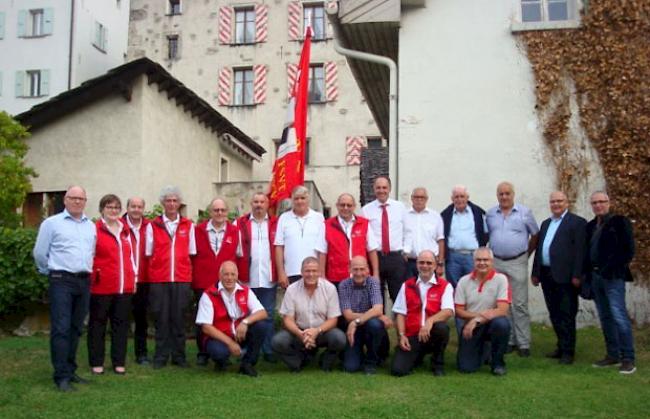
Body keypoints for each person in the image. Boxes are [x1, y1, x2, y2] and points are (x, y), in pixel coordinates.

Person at [33, 186, 96, 392]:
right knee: (61, 328)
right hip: (61, 279)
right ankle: (60, 376)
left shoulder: (90, 226)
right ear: (65, 200)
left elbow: (91, 252)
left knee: (76, 328)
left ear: (85, 201)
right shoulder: (51, 224)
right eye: (73, 198)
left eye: (81, 198)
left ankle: (70, 370)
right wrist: (50, 272)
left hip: (84, 280)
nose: (77, 202)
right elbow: (40, 253)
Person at [531, 191, 586, 364]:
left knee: (567, 313)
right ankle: (561, 346)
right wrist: (535, 272)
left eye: (559, 201)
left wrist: (577, 274)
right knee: (554, 313)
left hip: (566, 277)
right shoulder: (546, 223)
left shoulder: (577, 223)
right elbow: (540, 249)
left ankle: (569, 352)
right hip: (547, 275)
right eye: (553, 201)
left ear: (567, 203)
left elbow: (580, 252)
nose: (556, 204)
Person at [585, 191, 636, 374]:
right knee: (605, 317)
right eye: (595, 202)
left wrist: (611, 268)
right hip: (596, 277)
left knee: (619, 316)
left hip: (613, 277)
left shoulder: (619, 222)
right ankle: (612, 355)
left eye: (602, 202)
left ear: (609, 203)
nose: (598, 205)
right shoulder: (591, 226)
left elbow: (628, 250)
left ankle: (628, 358)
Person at [145, 186, 196, 369]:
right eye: (168, 200)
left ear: (179, 203)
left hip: (181, 278)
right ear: (162, 203)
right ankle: (160, 356)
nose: (172, 204)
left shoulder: (188, 225)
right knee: (161, 318)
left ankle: (179, 356)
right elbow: (149, 252)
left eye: (175, 200)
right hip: (160, 278)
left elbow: (191, 252)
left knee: (179, 318)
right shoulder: (153, 225)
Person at [486, 181, 539, 357]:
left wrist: (526, 255)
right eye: (501, 194)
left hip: (517, 261)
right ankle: (508, 340)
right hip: (497, 262)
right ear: (497, 196)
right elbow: (487, 236)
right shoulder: (491, 214)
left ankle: (523, 343)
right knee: (502, 303)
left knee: (520, 303)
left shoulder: (524, 213)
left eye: (507, 193)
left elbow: (535, 235)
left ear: (513, 194)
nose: (504, 197)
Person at [88, 194, 136, 375]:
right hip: (101, 287)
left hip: (124, 288)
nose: (113, 211)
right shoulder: (95, 229)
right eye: (109, 207)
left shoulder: (125, 230)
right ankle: (96, 362)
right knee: (98, 325)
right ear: (102, 209)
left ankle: (118, 362)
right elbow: (89, 256)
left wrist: (134, 278)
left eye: (116, 207)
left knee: (120, 325)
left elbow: (130, 258)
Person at [195, 261, 269, 377]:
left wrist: (245, 322)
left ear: (237, 276)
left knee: (262, 326)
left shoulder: (245, 291)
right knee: (219, 352)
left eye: (232, 274)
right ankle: (220, 362)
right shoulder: (208, 294)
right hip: (219, 337)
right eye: (226, 274)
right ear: (220, 276)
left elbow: (262, 312)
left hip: (240, 334)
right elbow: (206, 327)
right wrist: (230, 343)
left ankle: (247, 364)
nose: (229, 278)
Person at [272, 257, 346, 372]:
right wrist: (300, 333)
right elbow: (288, 319)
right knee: (278, 341)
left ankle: (325, 361)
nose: (311, 274)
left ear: (319, 272)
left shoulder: (329, 288)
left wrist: (317, 331)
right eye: (307, 271)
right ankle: (298, 362)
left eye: (314, 271)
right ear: (301, 272)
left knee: (339, 338)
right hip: (299, 331)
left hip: (322, 331)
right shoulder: (292, 289)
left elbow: (333, 319)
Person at [192, 198, 241, 366]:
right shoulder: (198, 230)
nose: (219, 213)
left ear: (227, 212)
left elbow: (238, 255)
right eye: (216, 210)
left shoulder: (235, 231)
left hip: (226, 282)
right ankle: (203, 352)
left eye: (222, 210)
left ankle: (223, 349)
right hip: (203, 280)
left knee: (226, 316)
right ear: (210, 212)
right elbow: (192, 255)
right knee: (202, 317)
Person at [391, 250, 453, 377]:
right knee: (398, 370)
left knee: (442, 328)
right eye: (422, 262)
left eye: (429, 263)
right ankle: (417, 356)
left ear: (435, 265)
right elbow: (400, 313)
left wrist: (430, 321)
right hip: (412, 335)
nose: (425, 266)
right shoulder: (407, 285)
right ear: (417, 264)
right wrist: (402, 335)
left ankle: (437, 364)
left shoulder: (445, 286)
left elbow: (448, 311)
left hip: (432, 334)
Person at [455, 247, 511, 376]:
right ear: (473, 261)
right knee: (466, 368)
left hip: (491, 324)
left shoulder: (501, 279)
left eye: (486, 260)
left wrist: (477, 319)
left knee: (502, 324)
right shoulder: (464, 281)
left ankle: (498, 363)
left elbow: (502, 309)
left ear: (492, 261)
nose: (482, 263)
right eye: (478, 260)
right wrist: (477, 318)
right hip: (472, 328)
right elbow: (458, 311)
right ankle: (485, 351)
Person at [236, 192, 278, 363]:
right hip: (247, 278)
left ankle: (268, 350)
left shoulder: (276, 223)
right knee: (246, 314)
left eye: (262, 202)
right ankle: (247, 348)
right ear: (250, 204)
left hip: (268, 277)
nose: (259, 205)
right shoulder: (240, 223)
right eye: (255, 202)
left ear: (267, 204)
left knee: (267, 314)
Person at [338, 256, 390, 374]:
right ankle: (358, 354)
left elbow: (378, 308)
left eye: (362, 269)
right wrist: (374, 315)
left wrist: (356, 321)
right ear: (349, 269)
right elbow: (347, 314)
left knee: (375, 324)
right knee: (350, 367)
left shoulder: (373, 282)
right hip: (354, 331)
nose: (359, 273)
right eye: (355, 269)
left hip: (369, 327)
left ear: (367, 269)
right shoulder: (343, 285)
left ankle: (371, 362)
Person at [316, 193, 379, 286]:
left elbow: (372, 250)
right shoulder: (327, 225)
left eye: (349, 205)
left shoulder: (364, 224)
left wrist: (376, 274)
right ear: (337, 206)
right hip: (335, 278)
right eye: (342, 205)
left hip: (360, 276)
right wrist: (322, 276)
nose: (345, 208)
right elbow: (322, 253)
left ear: (354, 207)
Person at [362, 176, 408, 302]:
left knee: (398, 295)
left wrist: (406, 250)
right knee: (377, 296)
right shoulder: (366, 210)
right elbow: (365, 235)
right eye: (378, 188)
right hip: (376, 257)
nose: (381, 190)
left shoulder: (400, 207)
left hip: (396, 257)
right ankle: (380, 321)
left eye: (384, 187)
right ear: (374, 189)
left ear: (390, 189)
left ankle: (398, 321)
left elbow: (407, 230)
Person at [275, 185, 325, 287]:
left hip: (313, 272)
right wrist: (281, 272)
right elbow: (279, 246)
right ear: (292, 200)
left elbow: (322, 248)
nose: (300, 201)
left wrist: (321, 272)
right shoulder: (284, 218)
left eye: (303, 198)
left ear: (308, 200)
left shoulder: (318, 218)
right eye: (296, 198)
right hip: (291, 272)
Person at [440, 185, 488, 288]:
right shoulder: (445, 214)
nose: (459, 199)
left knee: (474, 286)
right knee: (454, 288)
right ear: (452, 199)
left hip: (472, 257)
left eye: (462, 196)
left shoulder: (478, 212)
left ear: (467, 197)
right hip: (453, 258)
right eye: (456, 197)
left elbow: (485, 234)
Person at [123, 197, 151, 365]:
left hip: (144, 280)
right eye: (133, 206)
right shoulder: (119, 226)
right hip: (124, 280)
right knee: (120, 319)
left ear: (143, 209)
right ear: (127, 208)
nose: (136, 209)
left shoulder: (150, 226)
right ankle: (119, 354)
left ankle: (141, 354)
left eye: (139, 206)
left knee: (141, 320)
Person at [404, 187, 445, 278]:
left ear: (426, 199)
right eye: (416, 197)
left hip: (430, 263)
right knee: (411, 290)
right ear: (411, 198)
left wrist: (440, 263)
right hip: (410, 262)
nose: (419, 200)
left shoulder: (435, 216)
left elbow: (440, 240)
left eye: (422, 197)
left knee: (430, 290)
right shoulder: (404, 215)